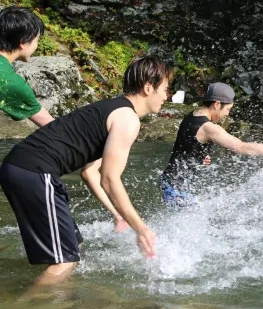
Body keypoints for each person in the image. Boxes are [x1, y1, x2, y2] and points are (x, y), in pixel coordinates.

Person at [0, 55, 171, 285]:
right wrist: (140, 228)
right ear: (148, 87)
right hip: (34, 170)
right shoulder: (127, 119)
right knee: (65, 262)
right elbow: (110, 179)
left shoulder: (112, 108)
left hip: (21, 167)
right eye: (166, 89)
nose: (167, 96)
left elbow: (90, 172)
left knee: (73, 246)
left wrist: (117, 213)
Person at [160, 82, 263, 207]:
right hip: (176, 187)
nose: (227, 114)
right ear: (217, 104)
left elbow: (186, 145)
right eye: (227, 109)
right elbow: (242, 147)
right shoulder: (208, 128)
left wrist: (198, 156)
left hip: (171, 181)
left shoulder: (192, 115)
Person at [0, 6, 55, 126]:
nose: (37, 46)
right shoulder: (8, 81)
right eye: (37, 41)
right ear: (23, 43)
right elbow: (52, 126)